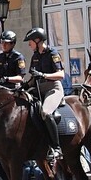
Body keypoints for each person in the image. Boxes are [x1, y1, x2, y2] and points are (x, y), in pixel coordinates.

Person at [24, 27, 65, 160]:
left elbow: (61, 74)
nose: (29, 45)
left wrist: (43, 75)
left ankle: (56, 148)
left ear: (37, 40)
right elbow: (33, 78)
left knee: (46, 113)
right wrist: (24, 86)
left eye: (30, 42)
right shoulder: (35, 56)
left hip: (53, 88)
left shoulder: (53, 53)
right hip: (38, 88)